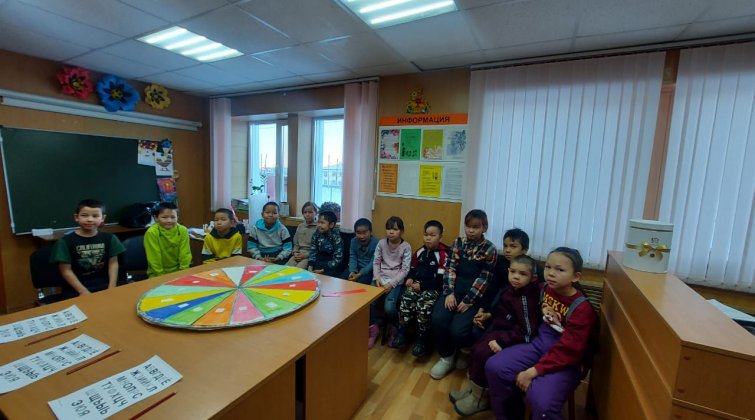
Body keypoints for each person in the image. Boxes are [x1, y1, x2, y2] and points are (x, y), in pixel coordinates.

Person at [485, 247, 598, 419]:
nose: (551, 273)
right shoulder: (544, 288)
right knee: (495, 367)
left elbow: (569, 351)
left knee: (541, 401)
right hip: (540, 344)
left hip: (568, 360)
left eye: (560, 270)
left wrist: (532, 372)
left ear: (576, 277)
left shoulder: (582, 309)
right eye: (548, 267)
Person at [451, 255, 541, 416]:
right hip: (499, 329)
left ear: (533, 278)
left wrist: (502, 342)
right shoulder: (510, 288)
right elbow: (502, 310)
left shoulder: (526, 299)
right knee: (476, 349)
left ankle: (480, 399)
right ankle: (474, 391)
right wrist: (489, 315)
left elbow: (527, 332)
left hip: (510, 338)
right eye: (513, 272)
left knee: (483, 354)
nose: (516, 277)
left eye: (522, 274)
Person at [430, 209, 497, 380]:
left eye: (476, 227)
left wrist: (468, 300)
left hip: (473, 296)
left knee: (458, 330)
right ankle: (447, 357)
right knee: (438, 319)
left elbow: (485, 278)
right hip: (454, 290)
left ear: (484, 227)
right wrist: (449, 293)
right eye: (468, 226)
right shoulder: (458, 243)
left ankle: (464, 350)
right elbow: (450, 268)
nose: (471, 231)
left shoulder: (489, 249)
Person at [391, 220, 449, 357]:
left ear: (440, 237)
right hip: (416, 285)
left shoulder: (443, 255)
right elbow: (413, 268)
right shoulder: (420, 252)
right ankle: (402, 333)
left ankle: (422, 340)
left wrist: (423, 286)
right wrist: (410, 278)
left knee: (423, 306)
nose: (428, 238)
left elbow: (441, 280)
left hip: (433, 288)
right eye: (426, 234)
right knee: (406, 299)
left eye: (432, 235)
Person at [474, 228, 544, 336]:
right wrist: (482, 310)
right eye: (505, 246)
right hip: (499, 306)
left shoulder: (534, 269)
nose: (507, 250)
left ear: (525, 250)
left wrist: (491, 314)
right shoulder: (501, 263)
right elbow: (492, 288)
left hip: (519, 314)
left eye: (513, 246)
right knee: (476, 330)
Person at [50, 199, 126, 297]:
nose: (90, 219)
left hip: (104, 284)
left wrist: (112, 287)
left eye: (95, 216)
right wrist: (83, 291)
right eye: (84, 215)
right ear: (76, 217)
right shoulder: (65, 242)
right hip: (76, 288)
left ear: (103, 218)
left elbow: (113, 263)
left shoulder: (110, 238)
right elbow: (65, 270)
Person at [368, 216, 412, 349]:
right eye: (388, 229)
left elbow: (405, 270)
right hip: (380, 278)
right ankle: (374, 328)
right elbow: (376, 262)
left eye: (395, 229)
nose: (391, 232)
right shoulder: (381, 243)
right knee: (368, 302)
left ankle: (394, 327)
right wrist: (377, 278)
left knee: (389, 308)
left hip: (395, 281)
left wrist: (391, 284)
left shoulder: (406, 247)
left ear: (402, 231)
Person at [144, 201, 192, 278]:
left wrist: (183, 271)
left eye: (173, 217)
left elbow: (185, 253)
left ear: (177, 217)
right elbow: (154, 258)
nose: (169, 220)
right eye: (164, 217)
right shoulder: (152, 232)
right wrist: (161, 275)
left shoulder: (183, 230)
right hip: (157, 273)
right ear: (156, 218)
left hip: (179, 270)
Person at [307, 211, 343, 277]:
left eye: (322, 223)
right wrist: (310, 266)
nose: (319, 225)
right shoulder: (316, 234)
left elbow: (337, 259)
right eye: (318, 222)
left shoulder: (337, 238)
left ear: (331, 225)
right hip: (318, 262)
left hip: (330, 265)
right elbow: (312, 252)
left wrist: (324, 269)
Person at [344, 218, 379, 284]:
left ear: (370, 232)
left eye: (365, 233)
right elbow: (352, 257)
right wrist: (352, 271)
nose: (362, 236)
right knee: (343, 279)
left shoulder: (377, 243)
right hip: (355, 268)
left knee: (361, 283)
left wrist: (360, 274)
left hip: (369, 270)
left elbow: (373, 262)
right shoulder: (353, 241)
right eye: (358, 233)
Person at [286, 202, 318, 269]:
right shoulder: (300, 226)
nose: (307, 214)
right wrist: (295, 252)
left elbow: (318, 248)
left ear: (316, 213)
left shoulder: (318, 228)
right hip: (298, 254)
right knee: (286, 268)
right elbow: (296, 243)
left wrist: (306, 255)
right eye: (305, 212)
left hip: (310, 256)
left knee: (298, 270)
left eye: (310, 212)